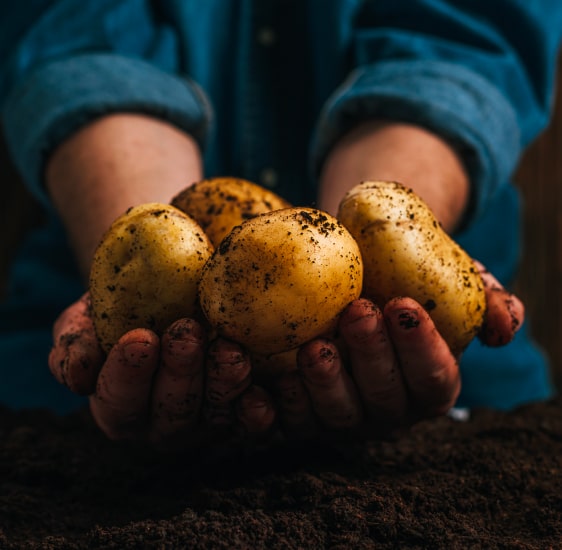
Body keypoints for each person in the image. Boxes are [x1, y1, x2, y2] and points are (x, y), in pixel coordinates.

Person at [0, 1, 561, 448]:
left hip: (461, 408)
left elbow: (466, 32)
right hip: (70, 413)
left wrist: (371, 242)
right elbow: (77, 30)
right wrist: (146, 260)